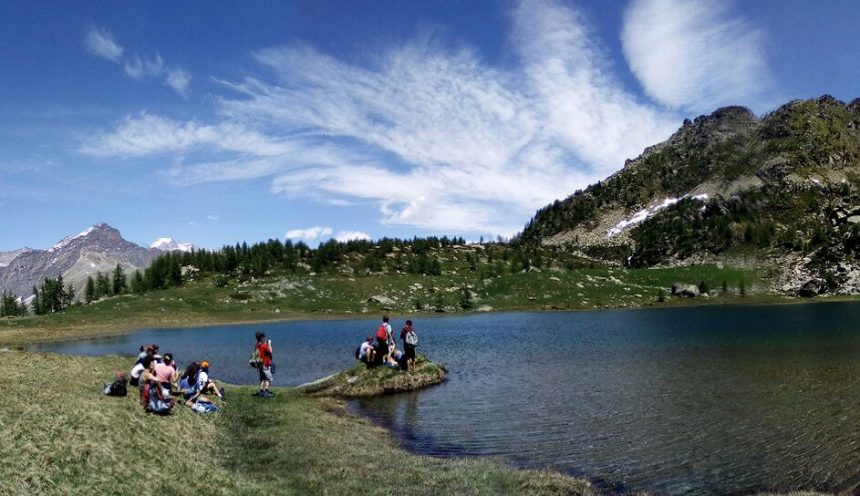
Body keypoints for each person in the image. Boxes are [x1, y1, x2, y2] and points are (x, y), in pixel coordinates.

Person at [255, 331, 274, 398]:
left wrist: (266, 344)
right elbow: (270, 352)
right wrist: (269, 344)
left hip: (259, 364)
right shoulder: (264, 345)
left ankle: (261, 392)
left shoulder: (257, 345)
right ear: (262, 337)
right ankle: (266, 393)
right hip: (265, 364)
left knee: (262, 379)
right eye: (263, 337)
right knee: (268, 379)